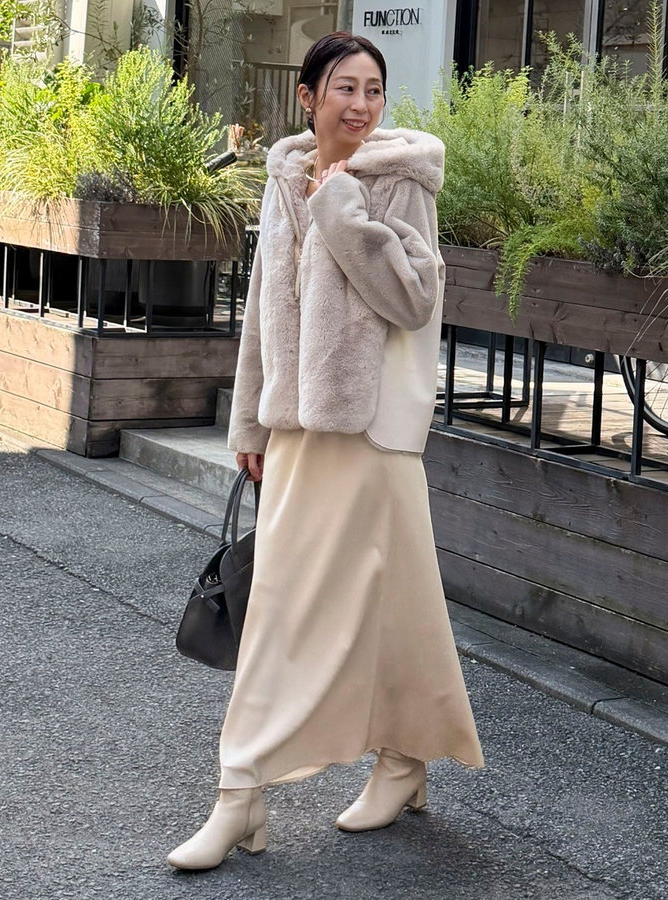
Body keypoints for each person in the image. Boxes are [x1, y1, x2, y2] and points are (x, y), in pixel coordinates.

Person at [167, 31, 484, 871]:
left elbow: (413, 300)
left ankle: (245, 792)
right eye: (344, 87)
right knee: (355, 602)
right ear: (308, 97)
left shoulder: (400, 179)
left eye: (373, 89)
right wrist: (249, 423)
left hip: (370, 433)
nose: (361, 104)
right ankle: (392, 762)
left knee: (318, 607)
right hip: (298, 429)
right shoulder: (284, 176)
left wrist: (341, 211)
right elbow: (263, 313)